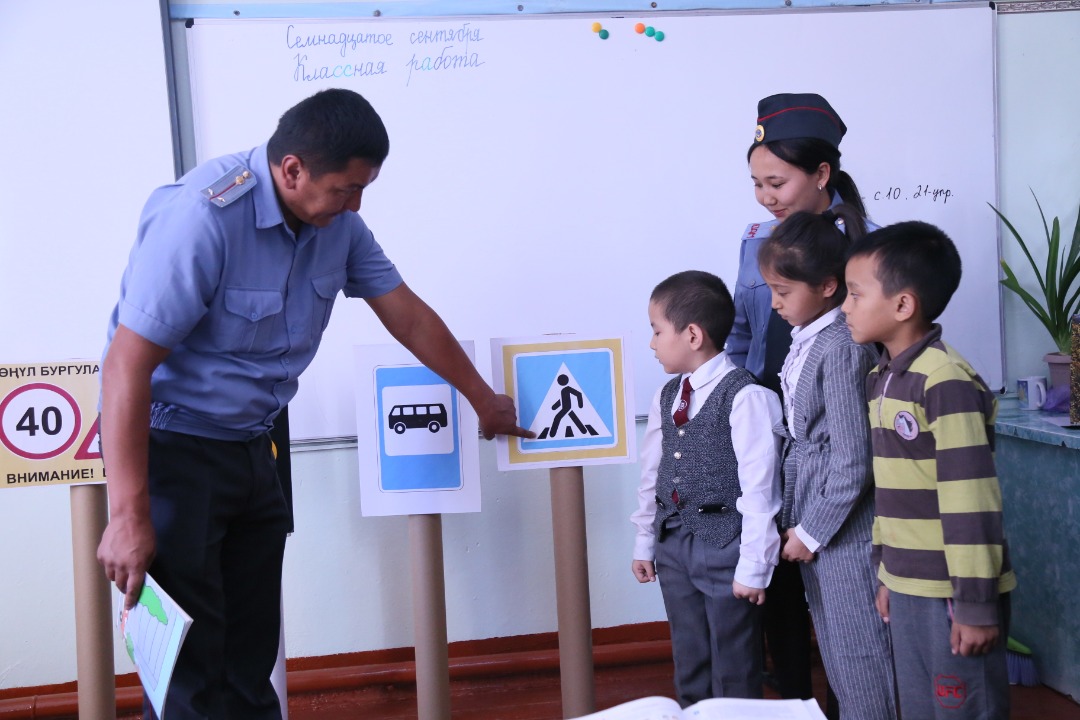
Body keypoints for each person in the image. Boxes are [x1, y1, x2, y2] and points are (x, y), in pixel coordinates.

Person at [96, 88, 531, 719]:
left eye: (363, 190)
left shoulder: (338, 227)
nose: (355, 205)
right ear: (293, 169)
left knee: (250, 661)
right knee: (190, 672)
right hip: (174, 451)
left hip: (255, 445)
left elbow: (407, 315)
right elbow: (125, 367)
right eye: (346, 189)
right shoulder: (202, 217)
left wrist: (482, 398)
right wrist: (128, 514)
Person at [728, 92, 872, 711]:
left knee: (846, 600)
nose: (766, 197)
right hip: (773, 425)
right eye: (757, 184)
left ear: (821, 174)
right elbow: (742, 332)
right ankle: (795, 699)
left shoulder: (870, 248)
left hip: (836, 430)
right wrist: (739, 406)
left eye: (777, 182)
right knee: (782, 582)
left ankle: (851, 701)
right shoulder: (757, 241)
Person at [842, 221, 1016, 720]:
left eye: (855, 294)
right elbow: (892, 489)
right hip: (908, 585)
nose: (845, 307)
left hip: (954, 592)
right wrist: (887, 574)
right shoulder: (883, 378)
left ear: (903, 305)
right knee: (920, 707)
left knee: (963, 708)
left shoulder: (944, 381)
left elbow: (970, 501)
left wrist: (975, 606)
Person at [756, 207, 897, 720]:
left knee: (861, 659)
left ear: (828, 287)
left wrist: (811, 531)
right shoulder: (810, 340)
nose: (774, 303)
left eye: (783, 291)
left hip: (844, 530)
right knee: (838, 658)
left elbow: (854, 459)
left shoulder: (841, 349)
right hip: (815, 523)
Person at [630, 270, 783, 706]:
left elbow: (761, 490)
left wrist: (754, 567)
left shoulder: (747, 397)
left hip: (725, 547)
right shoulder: (667, 396)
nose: (652, 343)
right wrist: (645, 542)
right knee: (689, 655)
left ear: (693, 335)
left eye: (657, 331)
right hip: (673, 545)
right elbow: (652, 475)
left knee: (734, 661)